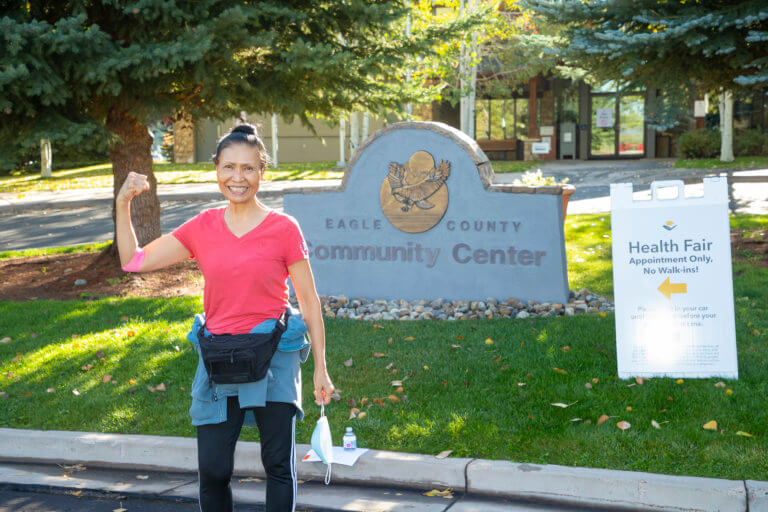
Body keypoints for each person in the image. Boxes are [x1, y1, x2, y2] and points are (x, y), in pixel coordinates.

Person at [115, 123, 334, 512]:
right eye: (229, 167)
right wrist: (123, 203)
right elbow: (135, 261)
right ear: (216, 169)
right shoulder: (203, 227)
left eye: (248, 168)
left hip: (274, 354)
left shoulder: (284, 229)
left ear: (262, 172)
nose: (238, 178)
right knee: (214, 470)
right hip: (220, 357)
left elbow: (309, 300)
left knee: (278, 465)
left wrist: (321, 366)